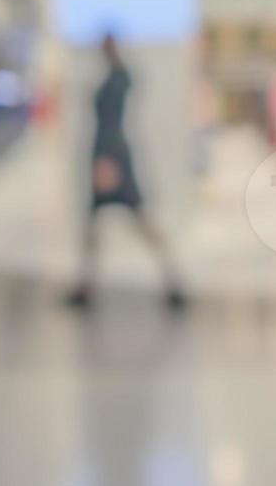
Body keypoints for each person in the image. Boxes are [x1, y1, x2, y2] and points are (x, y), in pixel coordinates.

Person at [69, 34, 188, 311]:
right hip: (107, 153)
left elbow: (111, 123)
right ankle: (86, 285)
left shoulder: (117, 78)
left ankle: (173, 280)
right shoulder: (114, 76)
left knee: (138, 220)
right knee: (95, 226)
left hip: (111, 156)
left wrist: (106, 161)